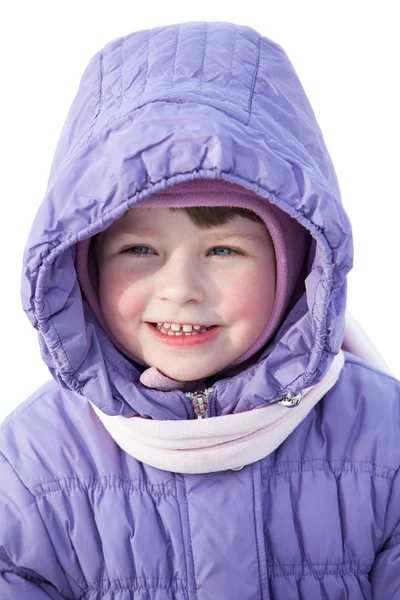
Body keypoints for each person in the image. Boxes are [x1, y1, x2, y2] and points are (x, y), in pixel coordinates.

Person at [0, 20, 399, 600]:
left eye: (223, 250)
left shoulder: (383, 440)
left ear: (296, 265)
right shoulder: (29, 469)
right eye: (139, 250)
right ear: (81, 264)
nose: (181, 288)